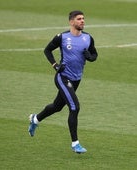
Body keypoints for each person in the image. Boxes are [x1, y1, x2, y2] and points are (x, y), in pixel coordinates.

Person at [28, 10, 98, 154]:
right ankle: (75, 144)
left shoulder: (88, 38)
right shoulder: (62, 37)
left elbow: (94, 54)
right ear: (71, 22)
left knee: (57, 106)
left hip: (76, 79)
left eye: (83, 19)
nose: (82, 21)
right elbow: (47, 50)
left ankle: (35, 119)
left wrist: (90, 57)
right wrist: (55, 65)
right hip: (63, 77)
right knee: (74, 107)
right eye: (79, 19)